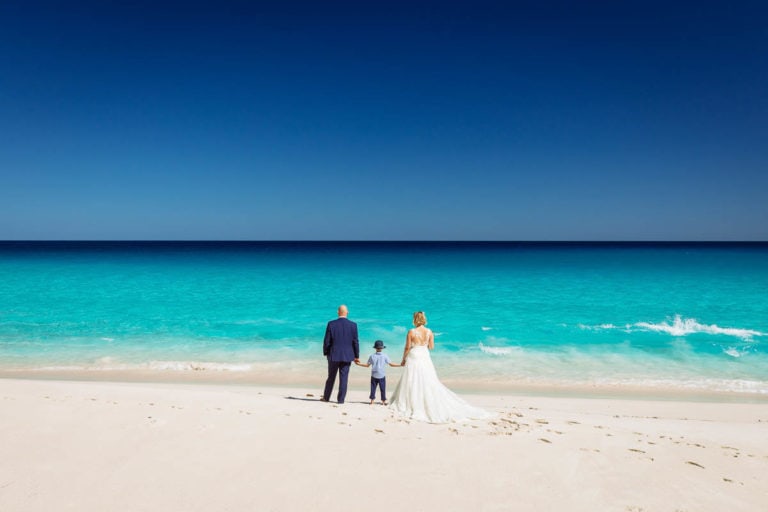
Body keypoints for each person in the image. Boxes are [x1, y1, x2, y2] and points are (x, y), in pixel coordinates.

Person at [389, 311, 492, 423]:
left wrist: (403, 359)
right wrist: (427, 341)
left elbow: (407, 347)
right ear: (424, 319)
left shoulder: (411, 332)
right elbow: (431, 347)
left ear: (415, 319)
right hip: (424, 355)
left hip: (414, 355)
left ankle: (411, 402)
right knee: (427, 378)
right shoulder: (429, 332)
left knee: (412, 378)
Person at [322, 305, 360, 404]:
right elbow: (355, 342)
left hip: (333, 355)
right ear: (347, 312)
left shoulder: (331, 324)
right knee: (344, 378)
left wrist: (326, 352)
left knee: (331, 377)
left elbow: (327, 341)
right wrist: (357, 356)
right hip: (347, 355)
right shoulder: (353, 325)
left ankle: (326, 397)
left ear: (338, 312)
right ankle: (341, 400)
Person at [355, 340, 401, 405]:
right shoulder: (385, 356)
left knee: (373, 388)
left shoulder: (372, 356)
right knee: (382, 388)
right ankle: (383, 401)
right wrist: (400, 365)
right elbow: (391, 364)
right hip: (382, 375)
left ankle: (372, 401)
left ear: (375, 348)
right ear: (382, 348)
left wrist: (358, 364)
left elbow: (367, 365)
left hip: (374, 375)